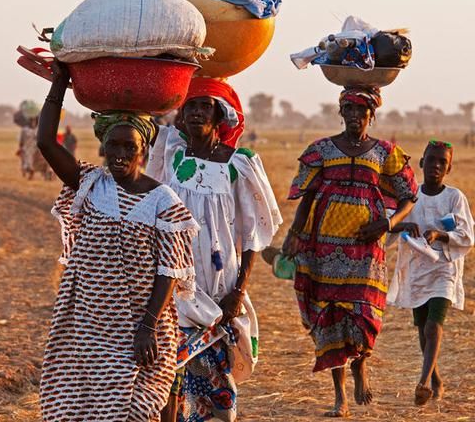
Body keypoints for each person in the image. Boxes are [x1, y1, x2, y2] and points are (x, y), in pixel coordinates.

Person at [37, 61, 200, 422]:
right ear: (103, 146)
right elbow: (45, 141)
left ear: (143, 148)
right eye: (113, 145)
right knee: (78, 408)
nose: (120, 154)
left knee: (137, 410)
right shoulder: (91, 184)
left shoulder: (163, 200)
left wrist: (148, 327)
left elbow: (168, 270)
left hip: (137, 328)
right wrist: (60, 84)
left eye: (130, 146)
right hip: (87, 324)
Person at [146, 77, 282, 422]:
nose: (195, 113)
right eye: (189, 105)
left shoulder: (238, 164)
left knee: (216, 382)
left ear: (219, 113)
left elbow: (252, 237)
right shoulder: (171, 155)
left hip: (220, 289)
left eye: (204, 105)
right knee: (166, 376)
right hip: (174, 285)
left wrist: (238, 291)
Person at [284, 87, 418, 418]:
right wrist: (294, 234)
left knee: (363, 316)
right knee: (330, 318)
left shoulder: (385, 153)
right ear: (340, 112)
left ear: (373, 115)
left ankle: (361, 368)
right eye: (350, 109)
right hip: (324, 249)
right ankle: (340, 397)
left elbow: (408, 198)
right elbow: (307, 199)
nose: (356, 116)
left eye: (362, 110)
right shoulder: (322, 150)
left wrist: (387, 224)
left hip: (366, 251)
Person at [387, 139, 474, 406]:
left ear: (448, 169)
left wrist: (440, 234)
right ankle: (435, 378)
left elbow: (466, 235)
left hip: (443, 269)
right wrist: (405, 226)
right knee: (422, 328)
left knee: (434, 325)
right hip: (417, 270)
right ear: (422, 163)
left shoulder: (454, 197)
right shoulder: (411, 198)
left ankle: (423, 382)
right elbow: (389, 223)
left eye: (442, 162)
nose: (436, 165)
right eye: (431, 160)